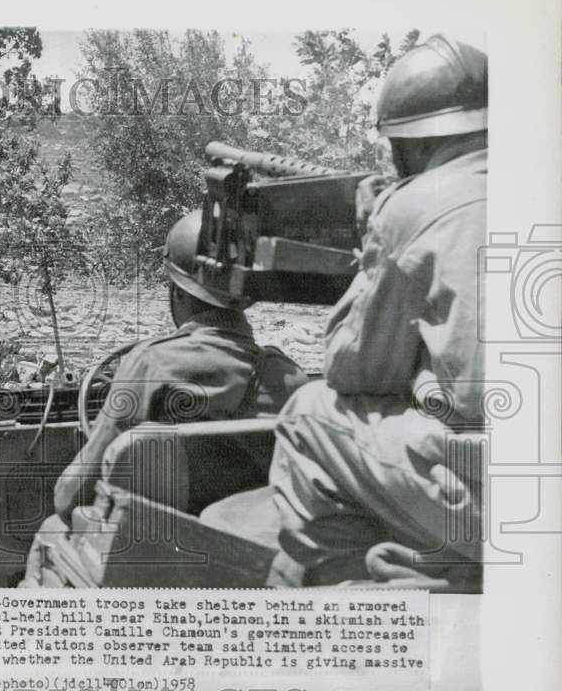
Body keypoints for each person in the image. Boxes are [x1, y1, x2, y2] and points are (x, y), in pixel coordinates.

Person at [268, 34, 488, 587]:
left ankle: (361, 603)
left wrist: (379, 228)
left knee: (307, 413)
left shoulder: (413, 206)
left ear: (408, 146)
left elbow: (355, 367)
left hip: (503, 495)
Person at [52, 209, 309, 526]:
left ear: (177, 293)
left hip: (158, 554)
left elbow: (70, 497)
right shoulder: (290, 378)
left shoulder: (149, 365)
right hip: (249, 553)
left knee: (52, 530)